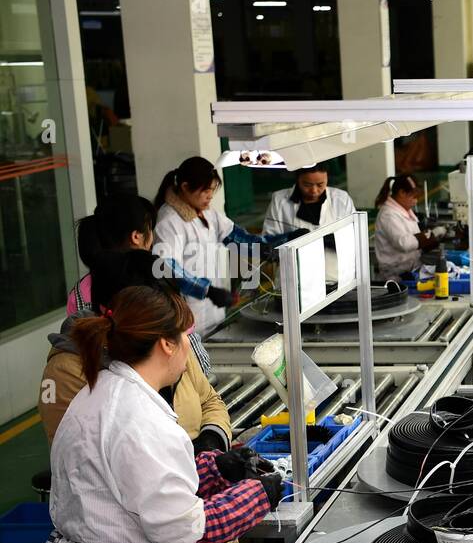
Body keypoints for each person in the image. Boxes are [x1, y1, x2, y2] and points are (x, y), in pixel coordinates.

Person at [32, 284, 283, 543]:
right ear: (166, 343)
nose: (190, 345)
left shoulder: (102, 392)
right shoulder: (140, 418)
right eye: (187, 336)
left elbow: (130, 489)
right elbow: (186, 531)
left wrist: (216, 470)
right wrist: (259, 494)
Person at [40, 249, 247, 543]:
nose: (189, 341)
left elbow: (209, 400)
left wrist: (211, 457)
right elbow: (181, 528)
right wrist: (252, 498)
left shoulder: (122, 382)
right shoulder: (126, 406)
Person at [70, 195, 226, 377]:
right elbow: (194, 355)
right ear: (136, 236)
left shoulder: (80, 293)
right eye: (150, 230)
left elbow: (82, 355)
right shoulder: (154, 277)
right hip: (165, 391)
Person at [152, 156, 302, 338]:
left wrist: (279, 242)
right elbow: (166, 268)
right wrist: (207, 290)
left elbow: (236, 238)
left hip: (213, 316)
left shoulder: (207, 213)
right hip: (187, 319)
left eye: (212, 190)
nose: (210, 196)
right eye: (206, 190)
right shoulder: (169, 222)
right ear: (185, 187)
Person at [373, 174, 441, 280]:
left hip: (410, 270)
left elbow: (415, 237)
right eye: (413, 196)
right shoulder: (388, 215)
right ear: (402, 193)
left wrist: (433, 239)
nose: (416, 201)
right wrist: (431, 236)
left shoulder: (404, 211)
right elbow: (404, 243)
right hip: (395, 277)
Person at [262, 164, 358, 236]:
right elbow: (269, 236)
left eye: (320, 184)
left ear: (327, 178)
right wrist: (288, 238)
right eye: (307, 185)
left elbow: (353, 233)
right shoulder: (279, 200)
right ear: (298, 179)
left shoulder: (341, 199)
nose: (314, 191)